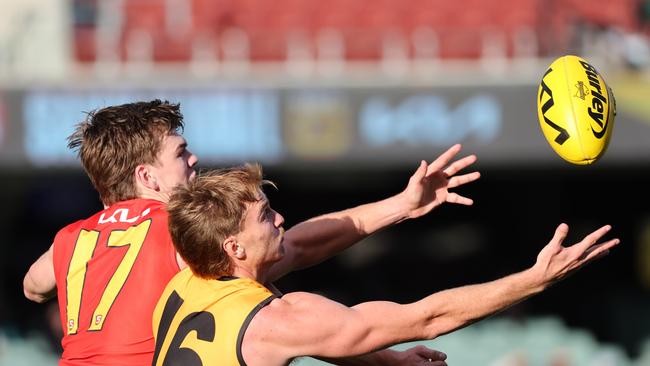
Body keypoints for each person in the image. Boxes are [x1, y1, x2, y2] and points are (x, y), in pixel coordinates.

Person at [22, 100, 479, 365]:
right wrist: (402, 205)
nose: (194, 160)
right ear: (149, 178)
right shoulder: (180, 232)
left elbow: (34, 285)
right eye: (180, 154)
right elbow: (297, 249)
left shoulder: (70, 239)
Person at [154, 164, 620, 366]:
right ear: (235, 248)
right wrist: (535, 280)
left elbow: (306, 245)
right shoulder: (278, 320)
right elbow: (427, 318)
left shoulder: (187, 281)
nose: (281, 218)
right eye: (265, 216)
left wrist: (405, 204)